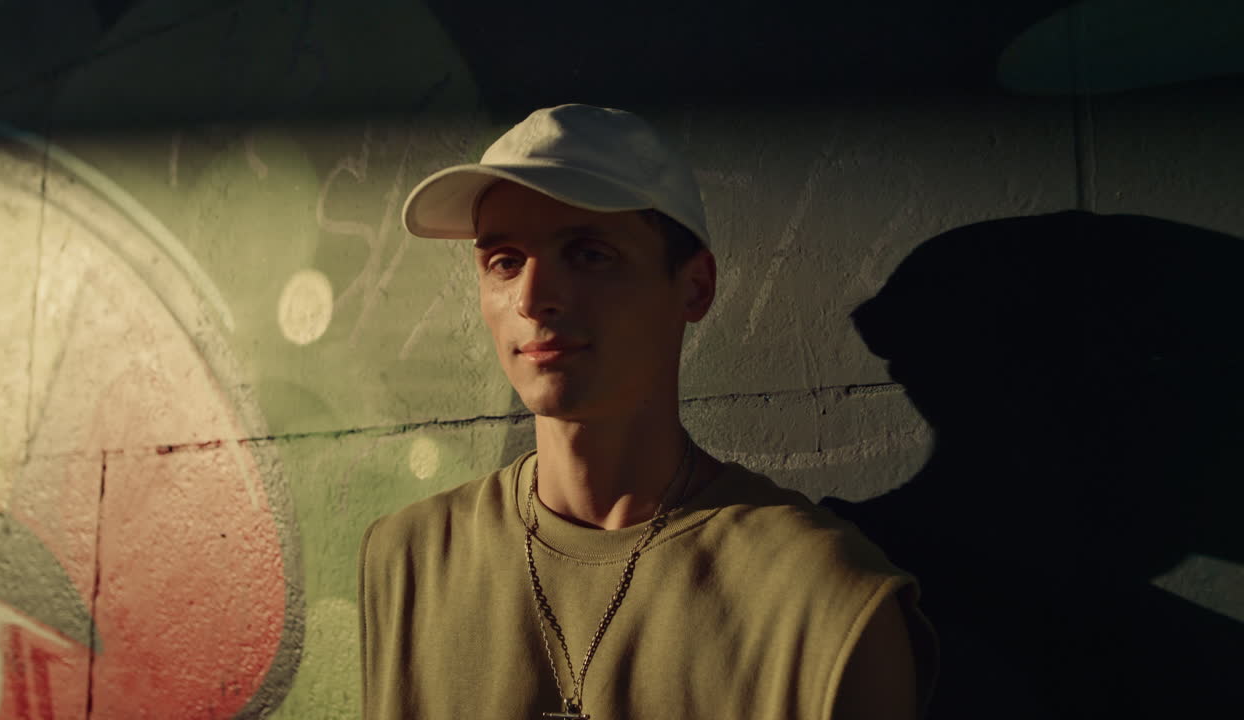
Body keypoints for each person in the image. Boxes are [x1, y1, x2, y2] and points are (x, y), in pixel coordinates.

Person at [359, 103, 938, 720]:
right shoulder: (406, 562)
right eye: (504, 260)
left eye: (587, 253)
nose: (531, 297)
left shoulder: (825, 604)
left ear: (694, 288)